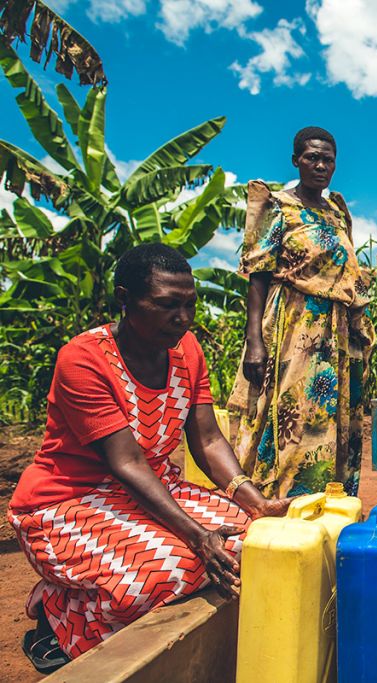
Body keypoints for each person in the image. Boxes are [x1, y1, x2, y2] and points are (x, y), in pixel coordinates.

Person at [6, 244, 291, 672]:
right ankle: (60, 622)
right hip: (68, 504)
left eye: (190, 304)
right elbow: (128, 464)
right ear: (125, 298)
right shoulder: (83, 360)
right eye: (166, 305)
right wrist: (197, 536)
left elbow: (209, 440)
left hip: (153, 489)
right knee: (165, 572)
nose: (183, 317)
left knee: (257, 540)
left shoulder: (187, 350)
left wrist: (254, 501)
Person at [229, 126, 373, 498]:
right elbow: (258, 275)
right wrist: (254, 340)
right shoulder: (278, 206)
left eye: (328, 159)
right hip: (293, 326)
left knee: (331, 420)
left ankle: (327, 501)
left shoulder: (337, 211)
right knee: (292, 414)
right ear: (296, 161)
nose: (321, 165)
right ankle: (278, 499)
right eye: (312, 157)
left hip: (337, 332)